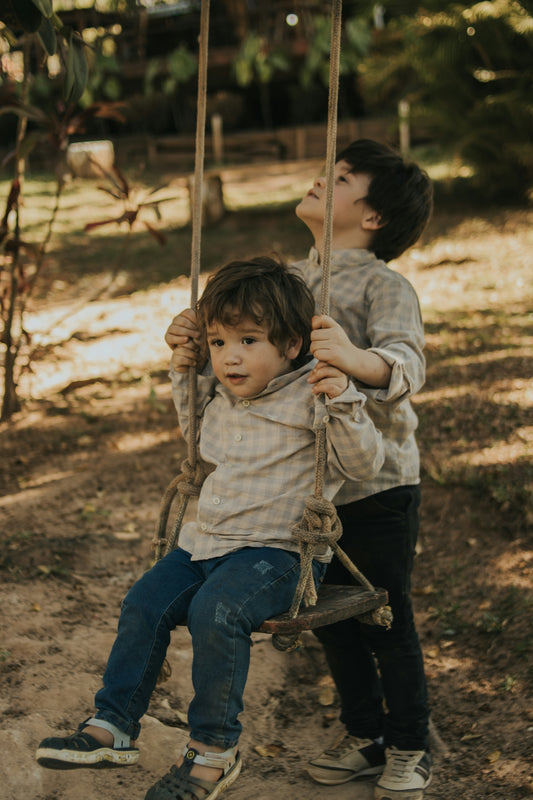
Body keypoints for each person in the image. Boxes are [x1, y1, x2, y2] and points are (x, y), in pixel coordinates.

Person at [36, 256, 384, 800]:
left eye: (248, 340)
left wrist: (343, 400)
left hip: (277, 556)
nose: (229, 357)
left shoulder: (315, 393)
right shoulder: (221, 397)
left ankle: (213, 753)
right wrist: (183, 366)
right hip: (205, 545)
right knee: (144, 602)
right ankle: (113, 726)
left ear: (291, 345)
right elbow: (194, 437)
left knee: (215, 611)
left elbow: (365, 466)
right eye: (219, 343)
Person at [165, 138, 434, 800]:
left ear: (371, 217)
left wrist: (350, 356)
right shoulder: (283, 280)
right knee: (326, 615)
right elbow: (242, 369)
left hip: (374, 481)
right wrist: (197, 345)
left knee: (383, 615)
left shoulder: (381, 284)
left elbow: (405, 364)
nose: (320, 180)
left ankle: (408, 743)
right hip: (299, 484)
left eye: (339, 178)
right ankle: (363, 733)